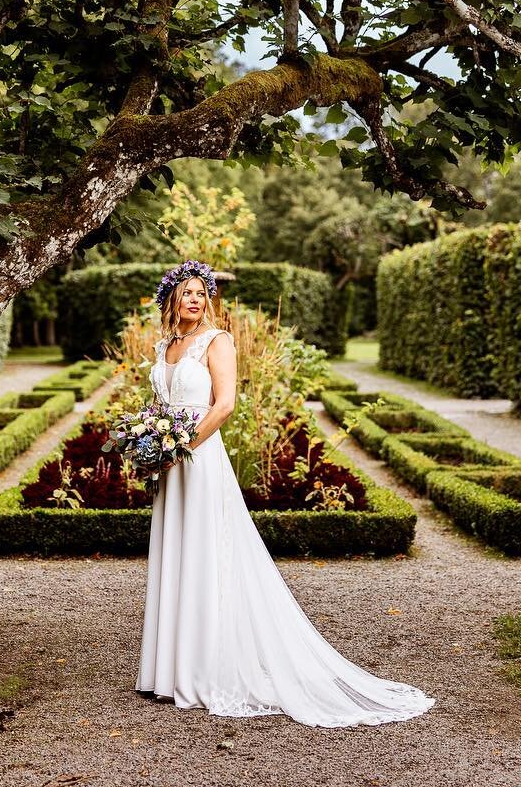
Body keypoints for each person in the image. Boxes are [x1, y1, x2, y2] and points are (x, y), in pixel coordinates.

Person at [134, 259, 436, 727]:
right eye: (186, 292)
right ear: (172, 297)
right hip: (169, 464)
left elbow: (224, 405)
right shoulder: (165, 345)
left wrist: (182, 447)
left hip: (199, 459)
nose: (195, 299)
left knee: (204, 552)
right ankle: (169, 671)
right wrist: (151, 444)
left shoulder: (217, 341)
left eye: (201, 292)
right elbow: (159, 404)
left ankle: (201, 670)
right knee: (175, 550)